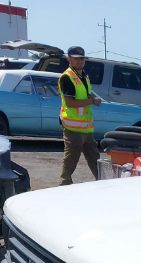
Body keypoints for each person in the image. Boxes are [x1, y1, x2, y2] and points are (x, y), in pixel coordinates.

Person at [58, 46, 102, 185]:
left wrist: (93, 97)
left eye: (82, 58)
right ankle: (64, 182)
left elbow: (86, 92)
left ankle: (102, 181)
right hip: (72, 126)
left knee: (94, 156)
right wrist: (92, 101)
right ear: (69, 59)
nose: (80, 61)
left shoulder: (83, 75)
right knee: (72, 157)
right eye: (76, 59)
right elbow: (70, 103)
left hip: (86, 126)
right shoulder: (67, 77)